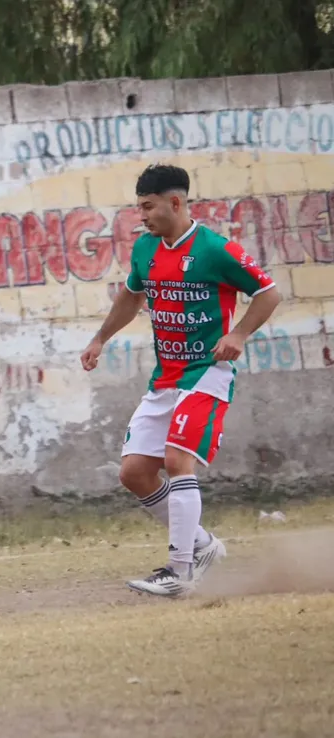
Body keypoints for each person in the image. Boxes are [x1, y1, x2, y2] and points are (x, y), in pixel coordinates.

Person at [80, 163, 281, 597]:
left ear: (175, 202)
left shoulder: (215, 250)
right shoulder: (145, 249)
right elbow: (131, 296)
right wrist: (100, 338)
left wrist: (238, 335)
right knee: (134, 473)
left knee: (176, 461)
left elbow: (269, 293)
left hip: (206, 373)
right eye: (139, 208)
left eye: (148, 207)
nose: (142, 216)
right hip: (165, 378)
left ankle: (180, 571)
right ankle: (203, 546)